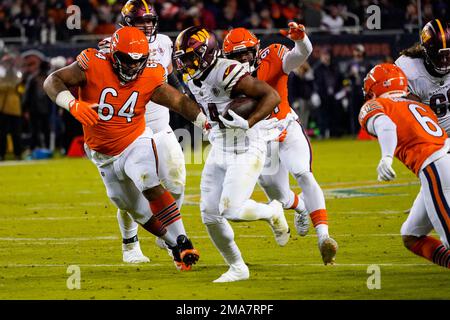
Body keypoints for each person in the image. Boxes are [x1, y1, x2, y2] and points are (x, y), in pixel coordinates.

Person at [43, 26, 209, 271]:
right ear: (112, 53)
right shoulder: (93, 62)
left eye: (138, 61)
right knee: (136, 210)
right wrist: (72, 104)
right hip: (102, 153)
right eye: (126, 60)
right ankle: (174, 245)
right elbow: (52, 80)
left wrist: (204, 123)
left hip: (135, 140)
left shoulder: (151, 72)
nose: (132, 67)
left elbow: (177, 100)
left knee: (149, 182)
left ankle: (184, 240)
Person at [174, 26, 290, 282]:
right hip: (220, 147)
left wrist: (249, 122)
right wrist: (204, 121)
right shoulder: (193, 77)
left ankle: (273, 211)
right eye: (183, 59)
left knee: (232, 210)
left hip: (247, 145)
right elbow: (192, 101)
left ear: (207, 53)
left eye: (191, 57)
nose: (187, 64)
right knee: (210, 214)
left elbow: (272, 96)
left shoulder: (226, 71)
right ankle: (237, 267)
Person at [222, 24, 338, 265]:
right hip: (258, 140)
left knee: (304, 174)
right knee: (282, 198)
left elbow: (300, 55)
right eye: (236, 55)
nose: (243, 59)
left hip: (285, 127)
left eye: (246, 53)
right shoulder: (225, 79)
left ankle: (324, 237)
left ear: (256, 49)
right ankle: (301, 208)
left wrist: (301, 39)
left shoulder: (272, 55)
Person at [97, 0, 189, 264]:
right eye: (141, 21)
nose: (147, 25)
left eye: (150, 20)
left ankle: (168, 234)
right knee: (130, 194)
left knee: (177, 182)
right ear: (127, 22)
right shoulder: (109, 46)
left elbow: (168, 77)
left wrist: (183, 98)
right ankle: (130, 244)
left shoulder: (164, 43)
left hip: (160, 124)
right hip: (128, 130)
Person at [359, 63, 450, 269]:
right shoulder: (419, 105)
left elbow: (386, 125)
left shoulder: (377, 105)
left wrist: (386, 157)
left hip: (436, 166)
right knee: (412, 235)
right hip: (442, 160)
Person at [395, 19, 450, 134]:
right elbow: (409, 118)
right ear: (425, 52)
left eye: (448, 55)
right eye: (439, 57)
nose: (445, 62)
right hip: (430, 139)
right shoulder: (410, 70)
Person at [0, 53, 23, 161]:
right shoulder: (1, 72)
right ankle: (2, 154)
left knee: (16, 133)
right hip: (2, 107)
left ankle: (17, 154)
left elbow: (20, 88)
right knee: (2, 133)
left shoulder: (16, 73)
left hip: (14, 108)